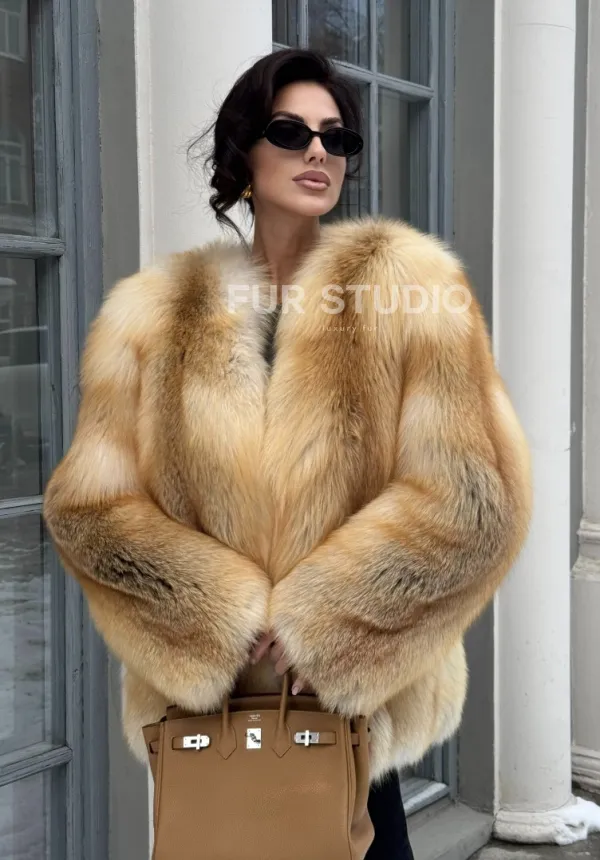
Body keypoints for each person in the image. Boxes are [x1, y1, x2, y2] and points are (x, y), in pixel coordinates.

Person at [42, 48, 531, 859]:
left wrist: (322, 624)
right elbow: (89, 509)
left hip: (348, 713)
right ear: (244, 150)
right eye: (290, 131)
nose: (318, 152)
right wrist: (222, 615)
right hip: (212, 722)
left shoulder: (412, 293)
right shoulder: (152, 315)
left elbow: (475, 497)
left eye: (337, 138)